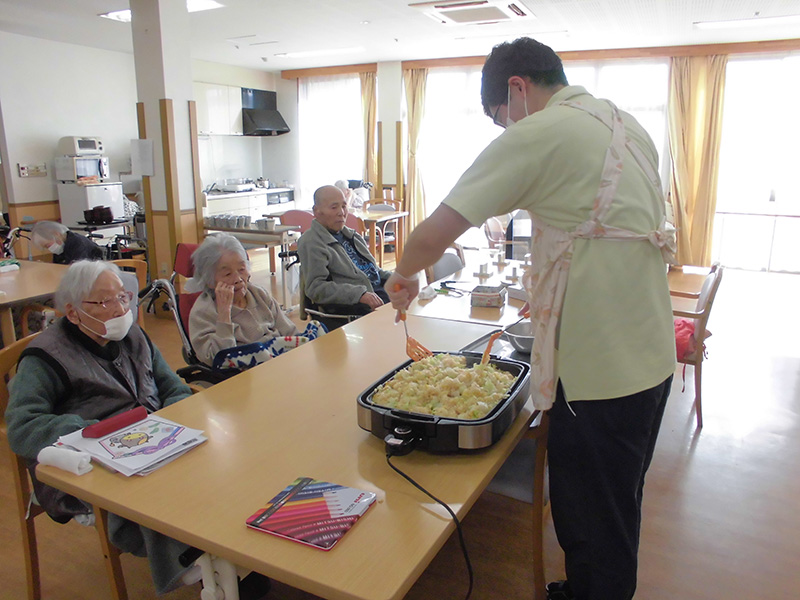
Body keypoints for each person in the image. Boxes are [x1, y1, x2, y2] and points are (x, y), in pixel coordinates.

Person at [386, 37, 676, 600]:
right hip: (650, 353)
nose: (505, 131)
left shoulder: (542, 130)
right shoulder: (623, 123)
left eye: (500, 119)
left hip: (601, 369)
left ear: (516, 90)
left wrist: (404, 275)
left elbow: (432, 233)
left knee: (592, 515)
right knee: (618, 501)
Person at [5, 260, 196, 594]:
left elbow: (173, 388)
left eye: (123, 297)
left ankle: (211, 548)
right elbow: (22, 426)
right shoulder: (44, 357)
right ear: (74, 312)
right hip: (88, 460)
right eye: (106, 301)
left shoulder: (133, 334)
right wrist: (91, 430)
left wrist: (169, 424)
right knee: (152, 489)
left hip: (150, 439)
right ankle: (190, 564)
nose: (121, 308)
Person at [188, 233, 324, 370]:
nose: (238, 279)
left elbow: (290, 332)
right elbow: (219, 360)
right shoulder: (203, 312)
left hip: (284, 365)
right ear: (209, 280)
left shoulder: (258, 294)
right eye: (228, 274)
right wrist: (224, 314)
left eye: (242, 269)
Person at [297, 185, 391, 330]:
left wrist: (399, 278)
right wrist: (359, 294)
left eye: (344, 206)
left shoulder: (351, 235)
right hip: (354, 307)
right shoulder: (312, 242)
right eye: (334, 207)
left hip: (377, 294)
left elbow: (372, 270)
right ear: (317, 211)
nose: (341, 212)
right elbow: (316, 288)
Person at [31, 220, 104, 264]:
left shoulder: (78, 243)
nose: (50, 249)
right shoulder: (61, 246)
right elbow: (58, 266)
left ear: (56, 234)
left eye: (47, 245)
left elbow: (76, 271)